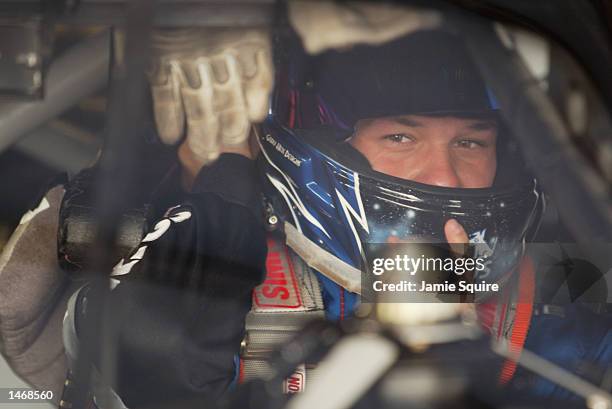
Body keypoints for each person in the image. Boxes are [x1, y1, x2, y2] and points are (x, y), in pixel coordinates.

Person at [1, 24, 610, 409]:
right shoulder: (201, 271)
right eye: (400, 137)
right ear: (320, 142)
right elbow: (146, 362)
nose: (444, 177)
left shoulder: (553, 312)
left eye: (472, 143)